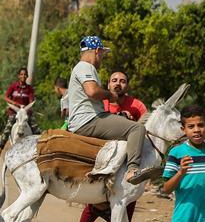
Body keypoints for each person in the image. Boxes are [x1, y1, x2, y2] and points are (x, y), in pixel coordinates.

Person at [63, 71, 146, 222]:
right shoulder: (101, 104)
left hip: (125, 165)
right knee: (95, 204)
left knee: (128, 207)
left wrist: (131, 121)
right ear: (107, 85)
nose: (118, 84)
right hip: (103, 160)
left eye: (123, 81)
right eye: (114, 81)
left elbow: (146, 124)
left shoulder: (136, 105)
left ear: (127, 85)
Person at [65, 36, 152, 183]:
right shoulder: (86, 66)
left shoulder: (81, 68)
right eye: (102, 55)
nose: (102, 59)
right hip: (88, 120)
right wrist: (110, 96)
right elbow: (92, 91)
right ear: (97, 51)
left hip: (86, 120)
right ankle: (132, 170)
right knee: (137, 129)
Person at [0, 67, 35, 160]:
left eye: (25, 74)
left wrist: (26, 108)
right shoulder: (13, 86)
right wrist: (14, 103)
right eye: (21, 74)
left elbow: (31, 101)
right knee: (7, 128)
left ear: (27, 76)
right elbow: (6, 97)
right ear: (18, 76)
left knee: (35, 128)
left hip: (24, 111)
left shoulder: (29, 89)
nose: (23, 76)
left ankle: (36, 151)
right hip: (14, 112)